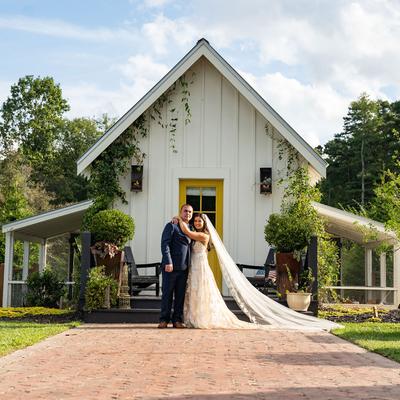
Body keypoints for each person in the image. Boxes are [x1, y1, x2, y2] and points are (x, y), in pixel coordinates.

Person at [175, 213, 341, 331]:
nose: (197, 223)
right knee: (194, 292)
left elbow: (188, 233)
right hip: (193, 266)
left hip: (201, 267)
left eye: (199, 221)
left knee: (202, 291)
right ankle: (193, 317)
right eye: (195, 221)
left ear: (204, 224)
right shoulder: (197, 233)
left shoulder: (204, 236)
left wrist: (178, 220)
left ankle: (202, 318)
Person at [158, 204, 193, 329]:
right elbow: (165, 244)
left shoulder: (192, 229)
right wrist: (168, 261)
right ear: (180, 212)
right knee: (167, 294)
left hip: (184, 268)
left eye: (190, 212)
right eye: (185, 211)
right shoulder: (172, 225)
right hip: (170, 267)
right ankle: (164, 319)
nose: (187, 214)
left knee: (180, 295)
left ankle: (177, 320)